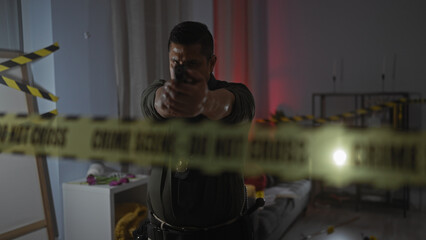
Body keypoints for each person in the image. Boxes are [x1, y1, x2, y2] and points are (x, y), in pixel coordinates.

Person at [138, 21, 255, 240]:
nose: (182, 73)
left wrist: (204, 102)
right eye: (175, 63)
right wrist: (167, 100)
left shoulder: (236, 94)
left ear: (211, 63)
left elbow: (230, 105)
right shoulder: (158, 91)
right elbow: (155, 102)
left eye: (191, 64)